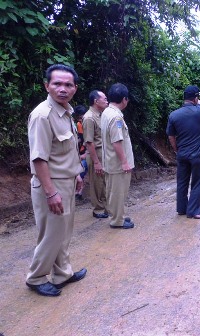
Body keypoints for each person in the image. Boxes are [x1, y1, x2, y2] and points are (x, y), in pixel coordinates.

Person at [26, 64, 87, 297]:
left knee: (63, 231)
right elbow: (39, 158)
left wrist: (76, 176)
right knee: (51, 234)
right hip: (50, 184)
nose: (63, 89)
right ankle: (36, 277)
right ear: (47, 86)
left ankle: (63, 273)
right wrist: (50, 192)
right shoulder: (43, 115)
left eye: (68, 85)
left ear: (75, 88)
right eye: (57, 84)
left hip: (67, 181)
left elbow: (66, 151)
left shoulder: (66, 112)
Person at [166, 85, 200, 219]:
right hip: (197, 156)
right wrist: (198, 100)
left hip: (182, 154)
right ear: (195, 98)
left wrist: (176, 149)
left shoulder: (173, 115)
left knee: (182, 182)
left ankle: (181, 209)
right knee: (197, 182)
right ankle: (194, 211)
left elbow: (171, 136)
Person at [101, 83, 135, 229]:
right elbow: (117, 142)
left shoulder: (106, 112)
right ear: (124, 99)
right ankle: (117, 221)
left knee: (113, 191)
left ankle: (118, 215)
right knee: (118, 192)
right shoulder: (116, 118)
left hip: (110, 161)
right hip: (117, 163)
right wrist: (124, 162)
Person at [83, 90, 108, 218]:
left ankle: (104, 206)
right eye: (104, 99)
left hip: (102, 154)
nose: (107, 101)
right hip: (95, 155)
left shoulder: (100, 115)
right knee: (97, 183)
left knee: (103, 182)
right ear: (95, 101)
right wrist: (96, 162)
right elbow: (89, 142)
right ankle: (98, 209)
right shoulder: (89, 118)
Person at [73, 105, 88, 201]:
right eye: (79, 118)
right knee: (81, 169)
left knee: (83, 167)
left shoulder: (89, 121)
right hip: (82, 150)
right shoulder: (78, 124)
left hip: (88, 151)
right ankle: (78, 192)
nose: (81, 119)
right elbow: (81, 138)